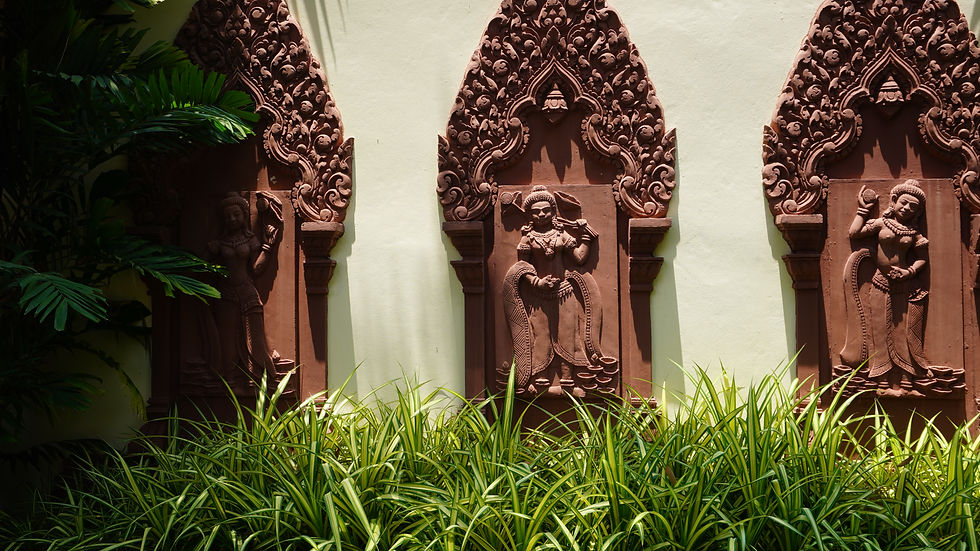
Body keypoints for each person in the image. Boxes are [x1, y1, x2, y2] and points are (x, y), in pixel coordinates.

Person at [502, 185, 609, 397]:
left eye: (546, 210)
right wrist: (537, 282)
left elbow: (579, 258)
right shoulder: (527, 238)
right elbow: (523, 268)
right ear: (530, 215)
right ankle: (540, 379)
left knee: (568, 334)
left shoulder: (561, 234)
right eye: (536, 212)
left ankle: (568, 380)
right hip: (539, 295)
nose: (541, 214)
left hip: (564, 293)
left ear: (553, 211)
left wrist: (585, 236)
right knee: (540, 335)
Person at [839, 179, 932, 396]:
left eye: (913, 207)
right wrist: (863, 209)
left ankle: (907, 383)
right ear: (894, 200)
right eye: (904, 203)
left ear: (918, 212)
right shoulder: (881, 224)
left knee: (903, 332)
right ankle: (882, 384)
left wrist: (909, 272)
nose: (907, 208)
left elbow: (922, 259)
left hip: (903, 285)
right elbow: (854, 233)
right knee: (880, 331)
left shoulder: (914, 234)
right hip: (880, 282)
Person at [206, 192, 280, 390]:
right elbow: (208, 270)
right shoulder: (220, 243)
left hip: (247, 291)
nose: (232, 219)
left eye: (236, 214)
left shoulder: (250, 240)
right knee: (227, 336)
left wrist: (268, 246)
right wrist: (210, 254)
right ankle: (228, 377)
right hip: (226, 292)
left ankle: (261, 375)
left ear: (244, 215)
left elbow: (256, 269)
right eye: (228, 216)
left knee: (255, 337)